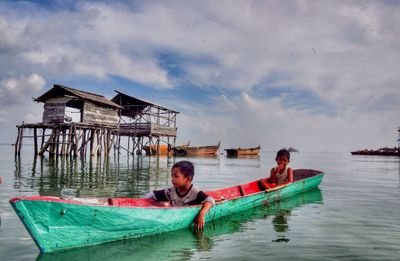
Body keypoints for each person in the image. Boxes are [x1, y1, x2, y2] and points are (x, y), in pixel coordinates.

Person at [146, 160, 215, 231]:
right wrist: (154, 203)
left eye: (176, 176)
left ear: (188, 178)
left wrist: (201, 214)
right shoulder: (170, 191)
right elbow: (153, 194)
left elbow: (210, 200)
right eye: (172, 176)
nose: (172, 179)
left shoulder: (195, 192)